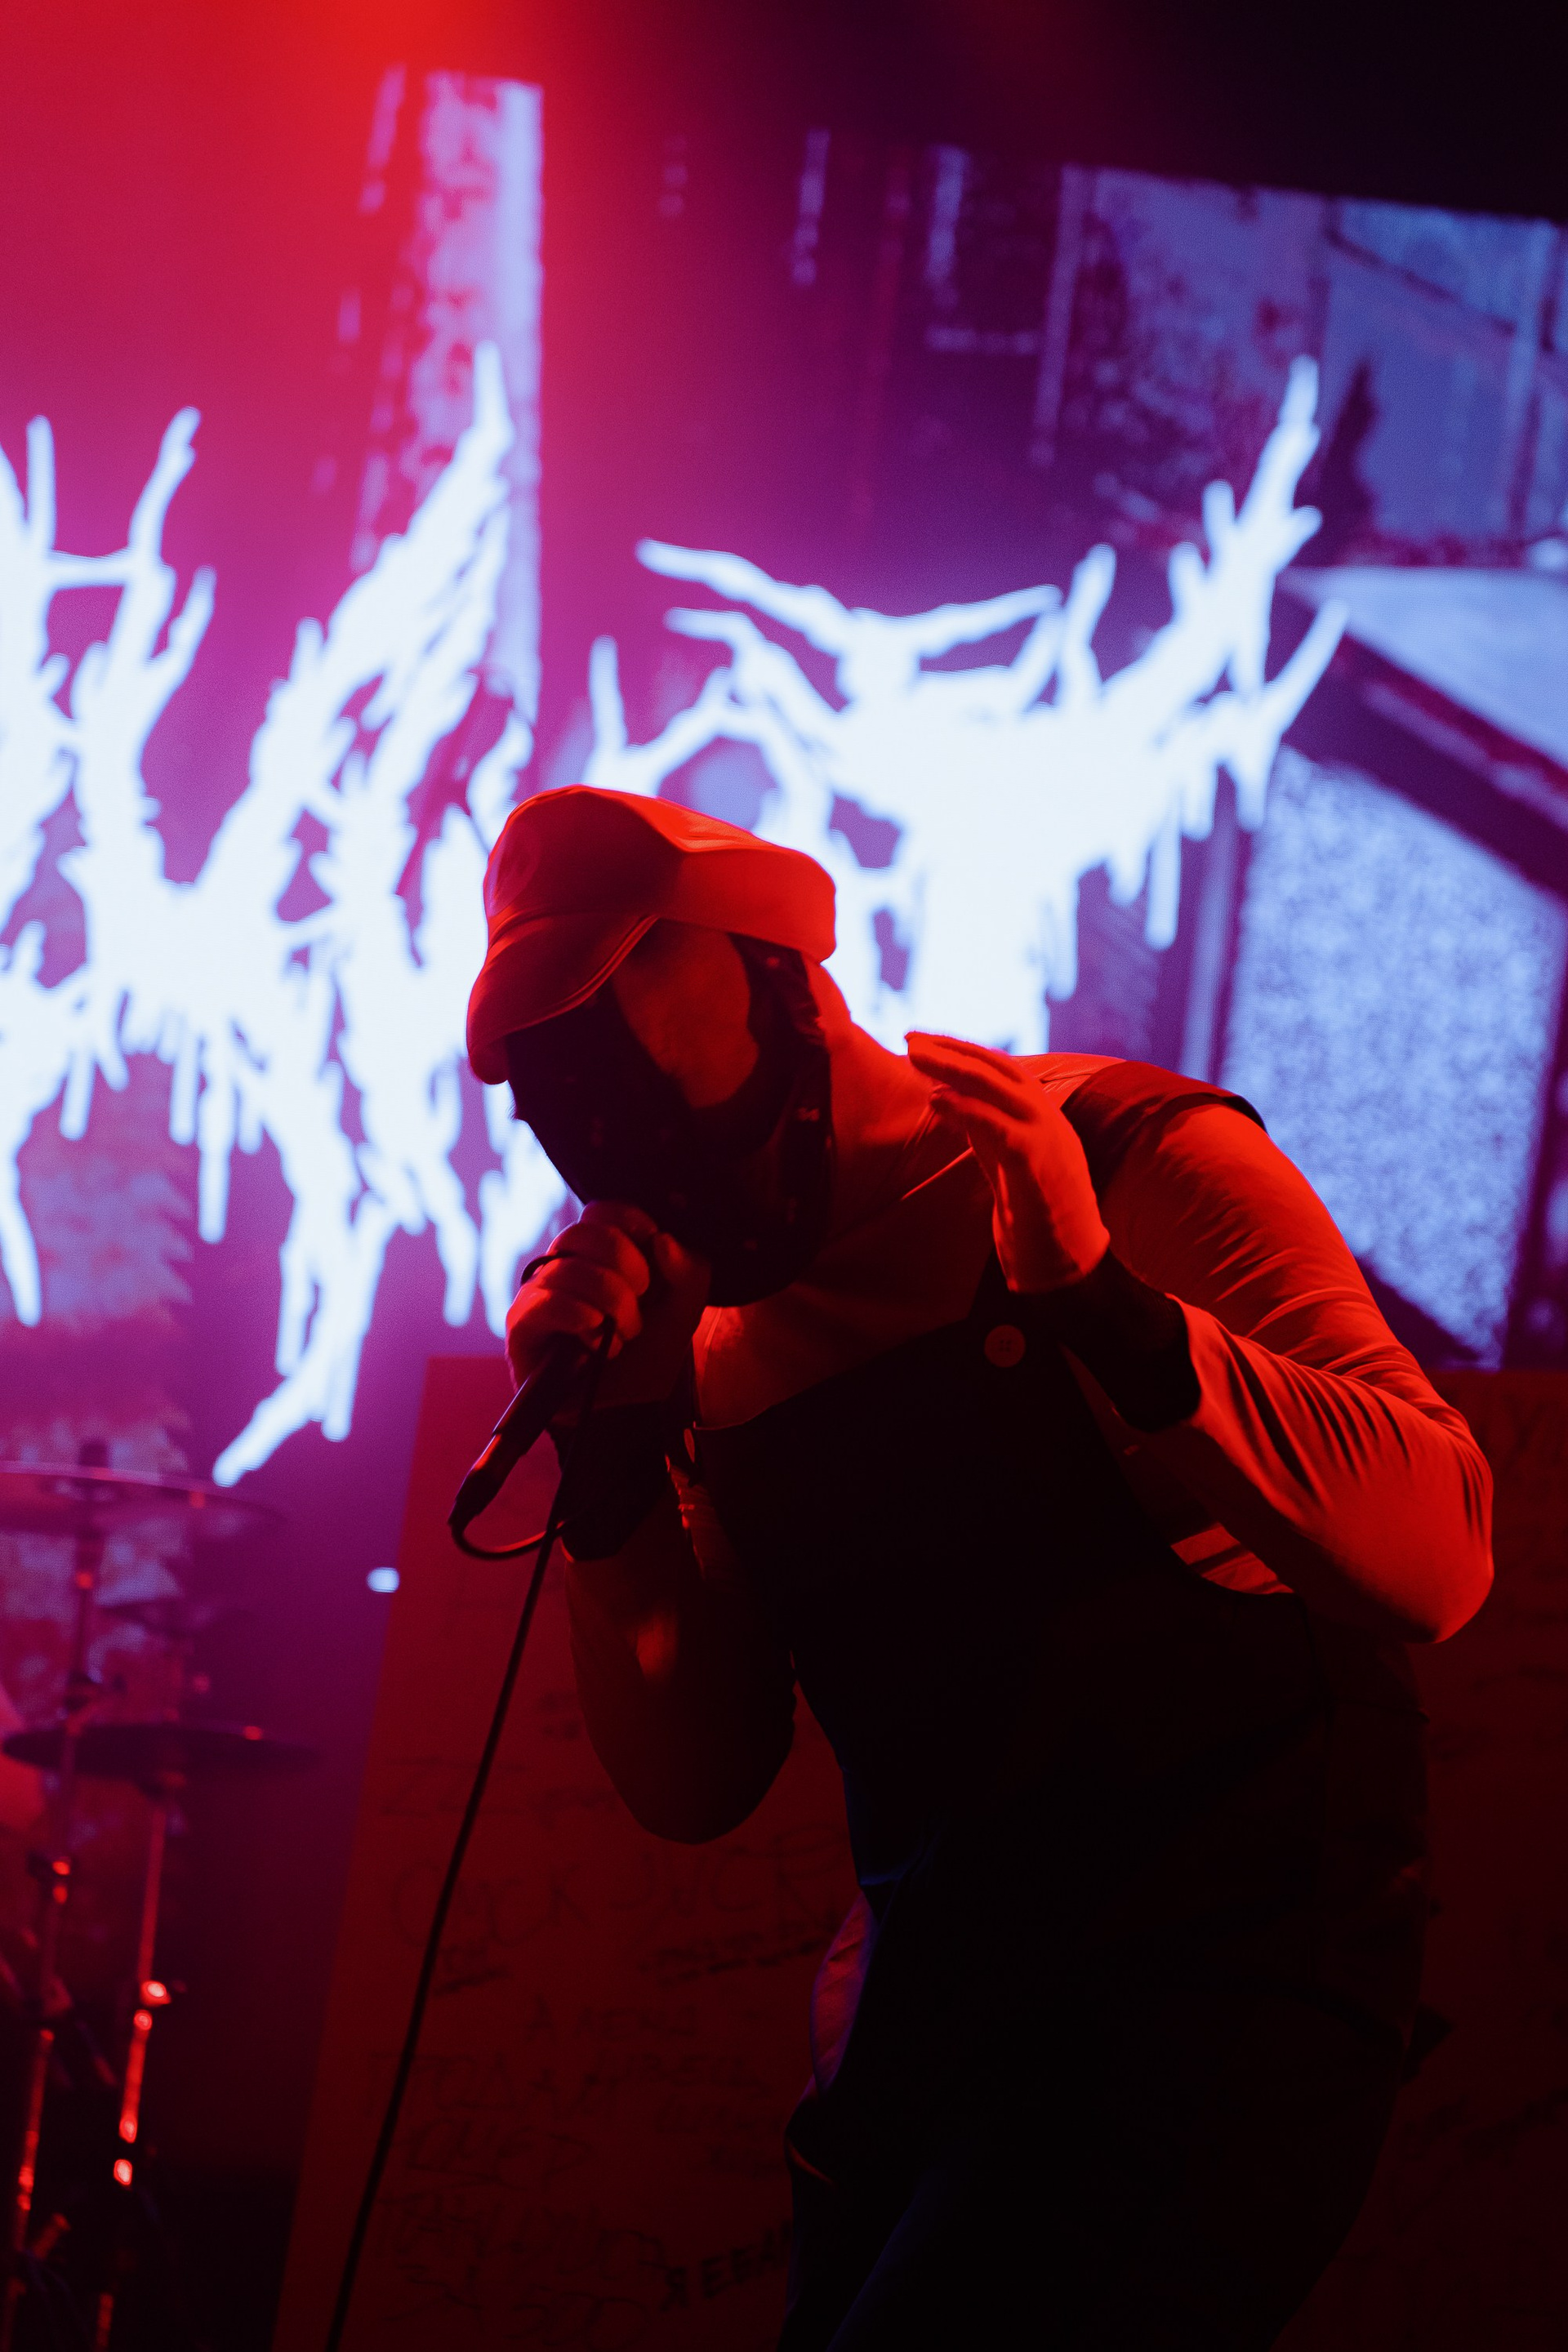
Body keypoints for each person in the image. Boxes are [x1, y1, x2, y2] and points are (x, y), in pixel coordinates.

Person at [466, 785, 1492, 2350]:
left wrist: (1106, 1306)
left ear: (794, 994)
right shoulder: (717, 1344)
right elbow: (696, 1779)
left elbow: (1442, 1554)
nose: (681, 1197)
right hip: (933, 2042)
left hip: (1217, 1995)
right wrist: (610, 1470)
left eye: (692, 1127)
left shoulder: (1126, 1155)